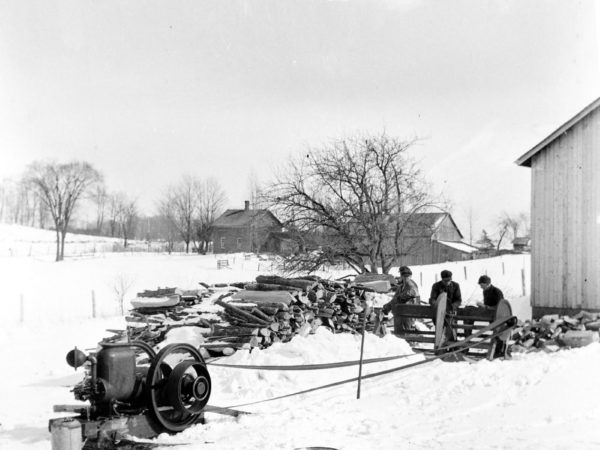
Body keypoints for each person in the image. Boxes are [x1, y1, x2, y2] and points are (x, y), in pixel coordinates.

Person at [382, 265, 420, 334]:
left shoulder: (411, 285)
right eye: (403, 276)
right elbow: (395, 299)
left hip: (410, 311)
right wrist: (387, 306)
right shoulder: (401, 287)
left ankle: (411, 339)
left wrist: (399, 298)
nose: (405, 278)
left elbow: (411, 293)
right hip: (402, 311)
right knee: (398, 324)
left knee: (406, 329)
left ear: (410, 276)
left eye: (407, 276)